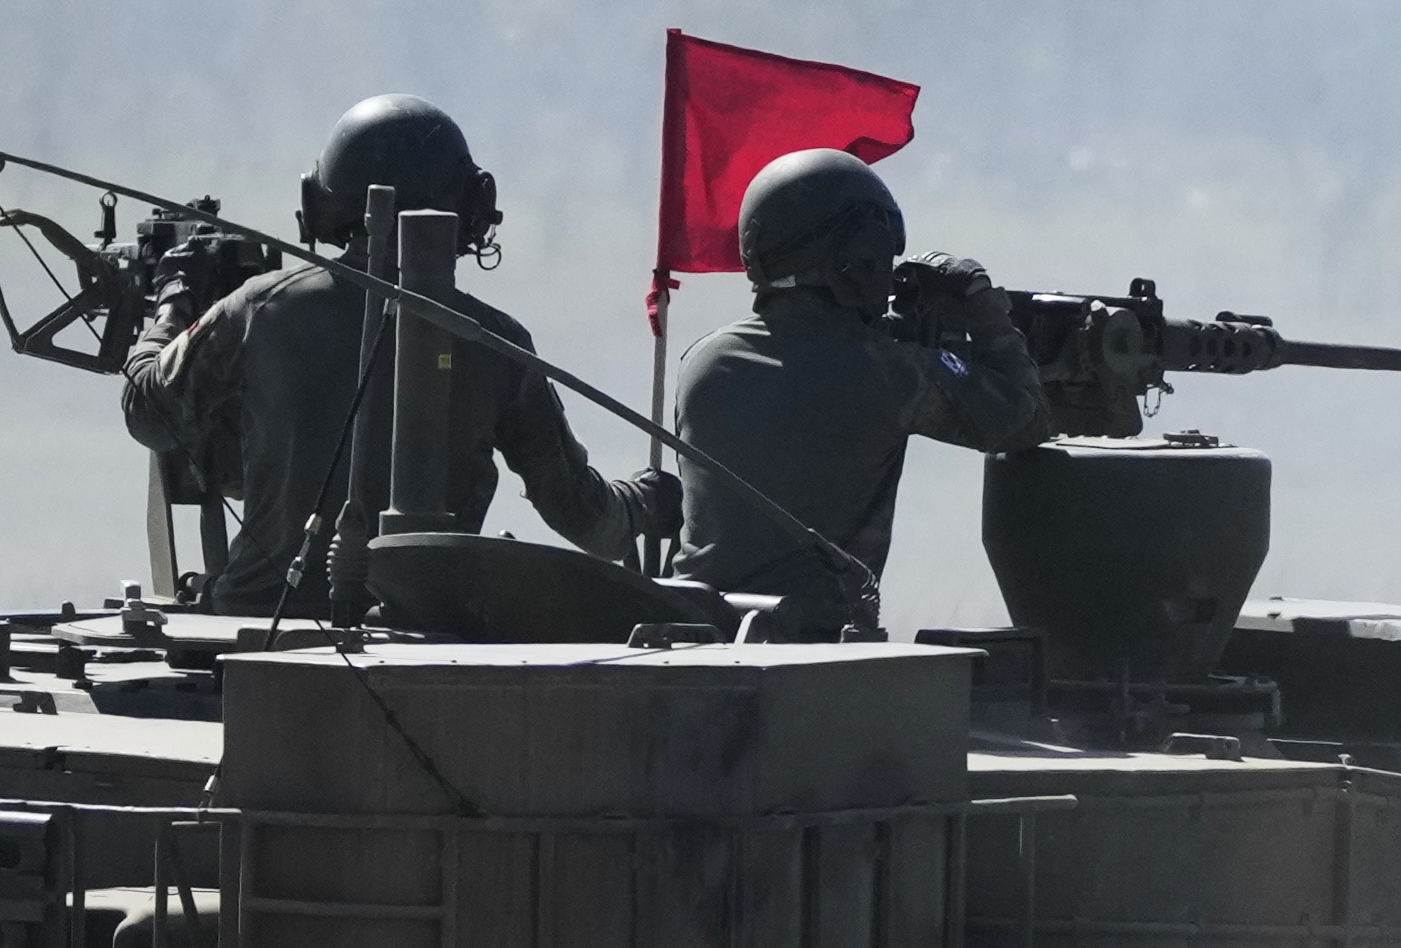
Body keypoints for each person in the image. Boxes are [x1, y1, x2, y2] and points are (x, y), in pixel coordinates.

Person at [126, 95, 628, 606]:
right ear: (472, 207)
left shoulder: (258, 309)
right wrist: (643, 504)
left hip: (261, 631)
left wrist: (173, 304)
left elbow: (147, 411)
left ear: (322, 201)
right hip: (430, 637)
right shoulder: (498, 343)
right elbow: (588, 521)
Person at [670, 147, 1051, 635]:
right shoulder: (888, 372)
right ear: (857, 258)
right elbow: (1027, 417)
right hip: (815, 655)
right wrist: (981, 304)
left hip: (694, 632)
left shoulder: (702, 360)